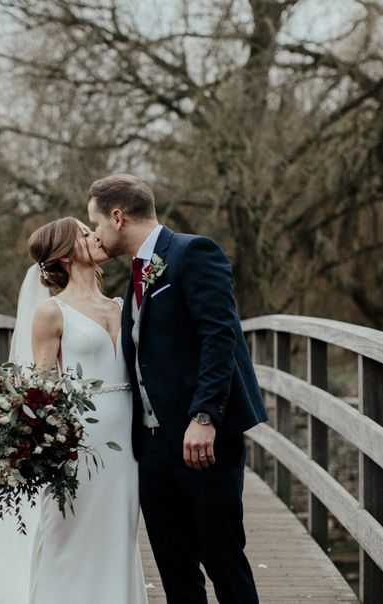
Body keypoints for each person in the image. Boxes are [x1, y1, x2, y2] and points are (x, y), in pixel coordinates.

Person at [88, 174, 268, 604]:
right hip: (152, 447)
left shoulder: (193, 253)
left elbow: (219, 336)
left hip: (204, 441)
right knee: (174, 568)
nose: (94, 234)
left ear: (118, 217)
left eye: (94, 223)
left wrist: (204, 416)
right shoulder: (131, 280)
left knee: (223, 559)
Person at [0, 217, 147, 604]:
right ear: (68, 255)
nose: (97, 236)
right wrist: (40, 437)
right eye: (86, 234)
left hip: (127, 441)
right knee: (69, 532)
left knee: (118, 534)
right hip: (80, 441)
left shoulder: (125, 305)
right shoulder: (52, 313)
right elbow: (40, 387)